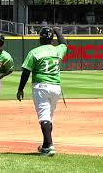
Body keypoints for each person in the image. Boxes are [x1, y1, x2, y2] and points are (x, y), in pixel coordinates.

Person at [16, 27, 67, 156]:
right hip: (56, 87)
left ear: (40, 38)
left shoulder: (34, 52)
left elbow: (26, 72)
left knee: (44, 117)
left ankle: (50, 146)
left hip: (41, 86)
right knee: (48, 117)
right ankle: (45, 145)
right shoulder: (58, 50)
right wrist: (57, 30)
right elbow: (64, 44)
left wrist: (20, 89)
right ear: (52, 39)